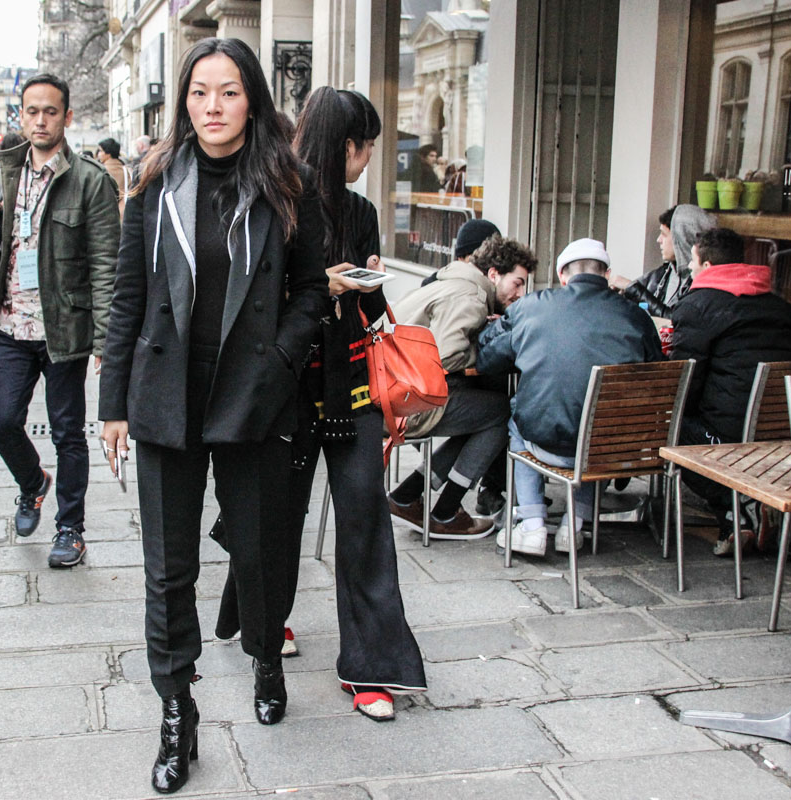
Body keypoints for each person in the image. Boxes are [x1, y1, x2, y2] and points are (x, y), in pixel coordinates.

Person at [98, 38, 329, 795]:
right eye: (200, 93)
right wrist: (112, 406)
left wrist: (281, 362)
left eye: (228, 92)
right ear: (183, 101)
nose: (213, 108)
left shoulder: (287, 180)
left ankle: (266, 656)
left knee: (258, 551)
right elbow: (129, 293)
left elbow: (310, 291)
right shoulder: (156, 180)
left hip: (253, 393)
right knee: (168, 569)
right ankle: (177, 712)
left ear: (252, 100)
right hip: (167, 394)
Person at [213, 86, 426, 720]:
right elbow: (250, 297)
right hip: (288, 388)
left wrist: (367, 282)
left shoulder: (359, 212)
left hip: (352, 385)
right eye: (365, 150)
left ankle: (371, 667)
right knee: (274, 519)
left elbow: (366, 306)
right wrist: (315, 286)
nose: (366, 162)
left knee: (364, 520)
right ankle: (261, 625)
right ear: (347, 147)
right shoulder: (275, 198)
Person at [0, 74, 118, 569]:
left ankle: (70, 528)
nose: (39, 120)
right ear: (21, 116)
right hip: (11, 324)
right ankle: (33, 483)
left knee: (67, 432)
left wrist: (104, 342)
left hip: (63, 331)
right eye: (31, 111)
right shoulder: (4, 174)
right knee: (2, 420)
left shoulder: (91, 181)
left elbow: (105, 265)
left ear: (66, 118)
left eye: (50, 111)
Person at [477, 238, 664, 556]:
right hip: (612, 451)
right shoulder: (635, 317)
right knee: (598, 420)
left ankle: (532, 523)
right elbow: (657, 372)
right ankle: (573, 526)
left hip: (547, 444)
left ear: (563, 275)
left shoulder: (533, 306)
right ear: (606, 275)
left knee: (518, 418)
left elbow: (487, 359)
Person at [669, 227, 791, 555]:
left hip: (727, 435)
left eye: (692, 261)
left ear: (707, 265)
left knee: (669, 431)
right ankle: (744, 515)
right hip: (781, 432)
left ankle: (741, 505)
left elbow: (686, 380)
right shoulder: (788, 312)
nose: (689, 267)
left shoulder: (697, 306)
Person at [387, 234, 535, 536]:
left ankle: (407, 496)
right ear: (493, 274)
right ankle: (445, 511)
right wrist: (486, 342)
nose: (520, 293)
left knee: (479, 416)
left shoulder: (450, 283)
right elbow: (445, 356)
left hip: (390, 390)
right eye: (517, 283)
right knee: (502, 413)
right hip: (408, 400)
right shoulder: (471, 297)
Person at [617, 204, 716, 317]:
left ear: (682, 239)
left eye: (664, 234)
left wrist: (633, 289)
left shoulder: (706, 284)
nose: (658, 240)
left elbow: (677, 321)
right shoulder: (662, 274)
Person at [95, 137, 127, 214]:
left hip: (104, 214)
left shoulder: (99, 171)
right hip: (123, 213)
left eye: (100, 151)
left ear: (108, 153)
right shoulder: (127, 171)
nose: (98, 154)